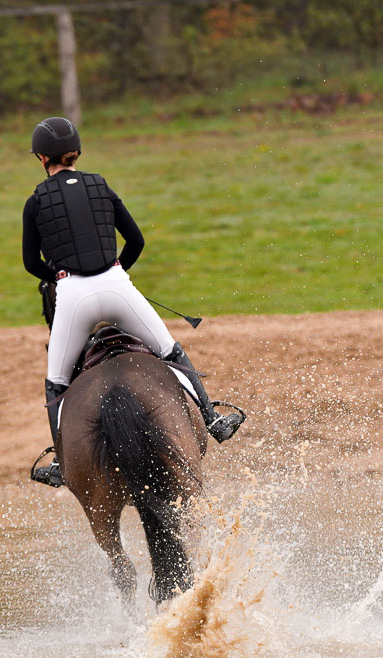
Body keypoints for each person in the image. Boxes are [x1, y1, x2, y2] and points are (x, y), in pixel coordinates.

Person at [23, 116, 244, 486]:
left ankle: (62, 463)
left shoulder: (35, 201)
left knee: (57, 383)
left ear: (42, 158)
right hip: (117, 285)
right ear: (76, 153)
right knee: (170, 352)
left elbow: (32, 263)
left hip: (73, 295)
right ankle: (211, 417)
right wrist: (114, 273)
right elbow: (136, 241)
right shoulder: (100, 186)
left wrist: (59, 277)